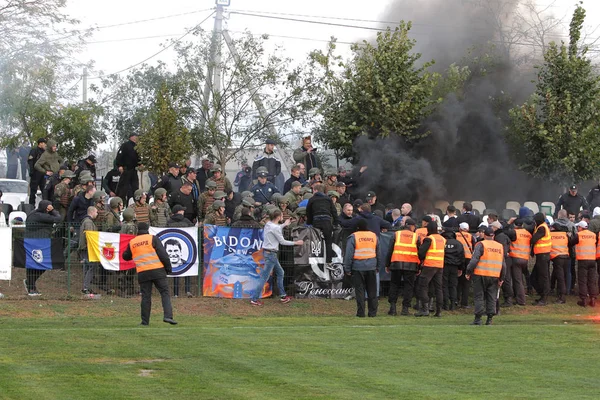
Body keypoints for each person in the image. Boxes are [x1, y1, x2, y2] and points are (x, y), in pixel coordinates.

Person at [123, 223, 177, 325]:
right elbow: (163, 255)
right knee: (164, 293)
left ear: (137, 230)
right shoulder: (152, 238)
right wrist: (168, 268)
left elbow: (125, 256)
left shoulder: (132, 242)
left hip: (143, 273)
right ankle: (168, 316)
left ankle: (144, 321)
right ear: (148, 229)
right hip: (158, 271)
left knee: (146, 297)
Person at [251, 209, 303, 306]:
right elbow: (282, 241)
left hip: (268, 253)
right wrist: (297, 242)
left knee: (281, 273)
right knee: (264, 277)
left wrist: (284, 224)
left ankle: (283, 296)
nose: (283, 217)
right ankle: (254, 299)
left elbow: (275, 228)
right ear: (278, 217)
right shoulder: (275, 228)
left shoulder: (268, 224)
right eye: (282, 216)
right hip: (271, 254)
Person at [465, 227, 506, 326]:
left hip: (480, 274)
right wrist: (502, 278)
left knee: (479, 296)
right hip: (494, 275)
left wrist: (468, 272)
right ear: (493, 236)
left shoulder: (481, 244)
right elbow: (503, 264)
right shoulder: (500, 246)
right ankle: (489, 319)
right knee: (492, 297)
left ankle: (478, 319)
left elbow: (474, 260)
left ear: (484, 235)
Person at [24, 200, 62, 295]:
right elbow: (58, 218)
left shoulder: (36, 213)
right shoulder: (39, 215)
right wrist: (53, 210)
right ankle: (31, 286)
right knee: (35, 265)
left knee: (41, 265)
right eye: (48, 207)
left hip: (40, 242)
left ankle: (30, 283)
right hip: (35, 243)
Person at [344, 219, 381, 318]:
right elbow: (379, 253)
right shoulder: (374, 236)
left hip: (358, 267)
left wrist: (347, 269)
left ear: (357, 227)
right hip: (372, 267)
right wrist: (378, 266)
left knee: (360, 291)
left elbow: (348, 254)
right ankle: (372, 313)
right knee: (372, 290)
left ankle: (361, 313)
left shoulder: (354, 236)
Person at [386, 218, 420, 316]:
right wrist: (419, 267)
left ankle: (392, 309)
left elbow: (390, 251)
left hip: (396, 263)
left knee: (394, 285)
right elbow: (419, 253)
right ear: (412, 226)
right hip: (411, 264)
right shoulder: (416, 237)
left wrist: (387, 264)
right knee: (408, 287)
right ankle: (405, 310)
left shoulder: (396, 234)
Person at [415, 222, 445, 317]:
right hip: (439, 266)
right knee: (438, 288)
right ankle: (439, 311)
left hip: (429, 266)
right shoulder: (443, 239)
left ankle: (425, 309)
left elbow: (421, 252)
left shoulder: (429, 239)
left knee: (422, 286)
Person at [307, 183, 338, 263]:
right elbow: (334, 211)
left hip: (316, 221)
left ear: (315, 190)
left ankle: (316, 261)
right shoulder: (328, 199)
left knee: (315, 240)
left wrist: (309, 222)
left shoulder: (312, 199)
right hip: (327, 221)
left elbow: (308, 212)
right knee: (328, 241)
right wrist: (335, 223)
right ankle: (328, 261)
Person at [573, 221, 598, 307]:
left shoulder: (579, 235)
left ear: (580, 227)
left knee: (582, 280)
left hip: (583, 260)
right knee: (592, 280)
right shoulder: (593, 235)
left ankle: (583, 300)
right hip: (592, 260)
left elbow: (571, 242)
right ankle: (593, 299)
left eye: (578, 228)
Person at [550, 222, 576, 304]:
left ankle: (562, 297)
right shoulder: (565, 234)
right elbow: (571, 243)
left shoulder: (550, 235)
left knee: (560, 278)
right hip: (566, 257)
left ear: (554, 228)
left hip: (557, 258)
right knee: (562, 276)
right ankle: (558, 292)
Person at [508, 219, 532, 306]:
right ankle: (519, 296)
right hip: (525, 259)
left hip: (516, 258)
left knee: (517, 280)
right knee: (520, 279)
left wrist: (508, 223)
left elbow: (504, 232)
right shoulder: (528, 233)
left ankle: (521, 300)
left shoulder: (514, 232)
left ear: (514, 225)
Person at [530, 212, 552, 306]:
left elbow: (533, 240)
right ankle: (542, 295)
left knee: (544, 277)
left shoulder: (542, 228)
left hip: (543, 255)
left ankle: (544, 298)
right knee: (534, 277)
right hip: (542, 255)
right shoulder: (541, 226)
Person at [441, 229, 465, 311]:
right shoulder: (458, 244)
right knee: (453, 286)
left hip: (444, 266)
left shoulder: (442, 242)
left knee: (444, 285)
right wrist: (460, 268)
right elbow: (462, 257)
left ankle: (445, 304)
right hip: (454, 267)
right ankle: (453, 304)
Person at [114, 132, 141, 203]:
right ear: (131, 137)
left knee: (135, 187)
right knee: (123, 188)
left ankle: (136, 202)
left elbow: (138, 158)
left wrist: (140, 164)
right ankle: (119, 202)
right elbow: (119, 156)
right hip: (126, 169)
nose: (137, 138)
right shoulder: (125, 145)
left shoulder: (137, 146)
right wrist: (119, 165)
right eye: (136, 136)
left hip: (134, 170)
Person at [79, 206, 99, 294]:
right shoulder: (89, 222)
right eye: (96, 212)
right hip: (88, 248)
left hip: (85, 248)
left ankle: (86, 287)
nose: (97, 214)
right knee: (91, 267)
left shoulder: (87, 222)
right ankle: (86, 287)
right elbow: (89, 236)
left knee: (87, 267)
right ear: (92, 212)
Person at [27, 138, 47, 205]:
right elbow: (30, 161)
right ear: (40, 143)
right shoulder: (34, 151)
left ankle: (45, 206)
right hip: (35, 173)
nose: (45, 145)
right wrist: (32, 171)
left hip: (43, 174)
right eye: (44, 143)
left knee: (44, 191)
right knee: (33, 191)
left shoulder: (45, 152)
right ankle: (31, 206)